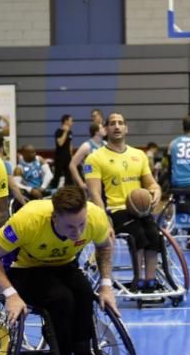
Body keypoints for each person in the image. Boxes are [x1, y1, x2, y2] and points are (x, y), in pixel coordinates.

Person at [0, 185, 118, 355]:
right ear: (54, 217)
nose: (78, 231)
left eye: (81, 224)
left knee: (85, 295)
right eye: (70, 227)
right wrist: (10, 294)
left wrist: (106, 285)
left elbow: (104, 245)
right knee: (61, 299)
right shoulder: (28, 220)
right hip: (25, 269)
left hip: (65, 265)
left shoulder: (96, 216)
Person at [85, 113, 163, 292]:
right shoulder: (95, 158)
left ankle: (149, 280)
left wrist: (156, 190)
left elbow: (150, 182)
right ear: (106, 129)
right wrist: (103, 218)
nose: (117, 126)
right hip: (115, 210)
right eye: (112, 123)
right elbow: (94, 193)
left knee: (154, 234)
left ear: (126, 128)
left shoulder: (139, 155)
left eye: (121, 123)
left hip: (140, 209)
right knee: (137, 235)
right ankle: (137, 279)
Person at [0, 133, 27, 207]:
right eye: (5, 145)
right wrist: (24, 203)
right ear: (1, 148)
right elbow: (13, 186)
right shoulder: (4, 164)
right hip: (2, 202)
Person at [68, 122, 105, 191]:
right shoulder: (86, 146)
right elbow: (72, 165)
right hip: (91, 181)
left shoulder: (105, 144)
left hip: (104, 182)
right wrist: (81, 183)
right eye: (102, 128)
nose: (104, 129)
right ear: (97, 132)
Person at [49, 114, 74, 189]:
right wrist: (65, 132)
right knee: (57, 175)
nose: (72, 123)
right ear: (66, 121)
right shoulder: (58, 131)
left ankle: (69, 190)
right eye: (71, 121)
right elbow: (60, 143)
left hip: (67, 157)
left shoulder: (70, 132)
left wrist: (71, 155)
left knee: (69, 175)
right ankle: (51, 190)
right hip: (60, 157)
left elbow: (70, 144)